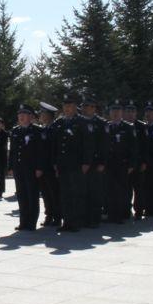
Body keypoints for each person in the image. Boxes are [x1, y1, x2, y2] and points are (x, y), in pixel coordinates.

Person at [50, 93, 91, 232]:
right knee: (65, 193)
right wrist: (55, 162)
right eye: (65, 106)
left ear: (75, 107)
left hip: (77, 164)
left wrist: (86, 162)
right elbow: (55, 144)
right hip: (62, 164)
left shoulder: (82, 122)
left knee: (76, 193)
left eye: (70, 106)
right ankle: (67, 221)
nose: (67, 108)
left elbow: (87, 144)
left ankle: (76, 222)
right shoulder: (59, 122)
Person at [9, 104, 41, 230]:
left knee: (32, 195)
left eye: (24, 114)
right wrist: (10, 166)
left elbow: (40, 151)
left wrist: (39, 167)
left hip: (31, 168)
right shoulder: (15, 131)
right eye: (19, 114)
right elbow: (12, 151)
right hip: (19, 168)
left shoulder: (36, 131)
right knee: (21, 195)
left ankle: (32, 222)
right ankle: (23, 221)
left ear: (30, 116)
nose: (21, 117)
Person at [106, 101, 137, 224]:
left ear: (121, 113)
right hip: (109, 164)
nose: (115, 114)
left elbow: (134, 148)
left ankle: (120, 214)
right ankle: (111, 214)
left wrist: (131, 164)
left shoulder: (128, 127)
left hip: (123, 164)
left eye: (117, 112)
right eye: (113, 112)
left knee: (121, 190)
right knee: (109, 190)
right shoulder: (106, 126)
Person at [80, 95, 109, 228]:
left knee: (95, 192)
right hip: (81, 163)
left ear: (95, 108)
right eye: (85, 106)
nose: (88, 109)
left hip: (96, 163)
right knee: (82, 191)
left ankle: (94, 218)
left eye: (91, 106)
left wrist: (102, 163)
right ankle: (84, 217)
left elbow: (104, 145)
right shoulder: (79, 122)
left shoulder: (101, 123)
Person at [37, 103, 62, 227]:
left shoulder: (54, 129)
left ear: (48, 115)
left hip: (51, 167)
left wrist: (56, 165)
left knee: (54, 193)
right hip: (43, 167)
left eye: (42, 113)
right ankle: (49, 215)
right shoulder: (44, 128)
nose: (40, 115)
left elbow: (55, 149)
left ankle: (57, 217)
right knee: (46, 193)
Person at [122, 102, 143, 221]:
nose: (130, 114)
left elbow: (145, 146)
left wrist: (144, 162)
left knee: (138, 188)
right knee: (126, 188)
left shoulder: (141, 126)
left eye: (132, 112)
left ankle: (139, 211)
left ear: (136, 113)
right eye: (128, 112)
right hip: (126, 163)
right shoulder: (123, 126)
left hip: (139, 163)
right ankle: (126, 210)